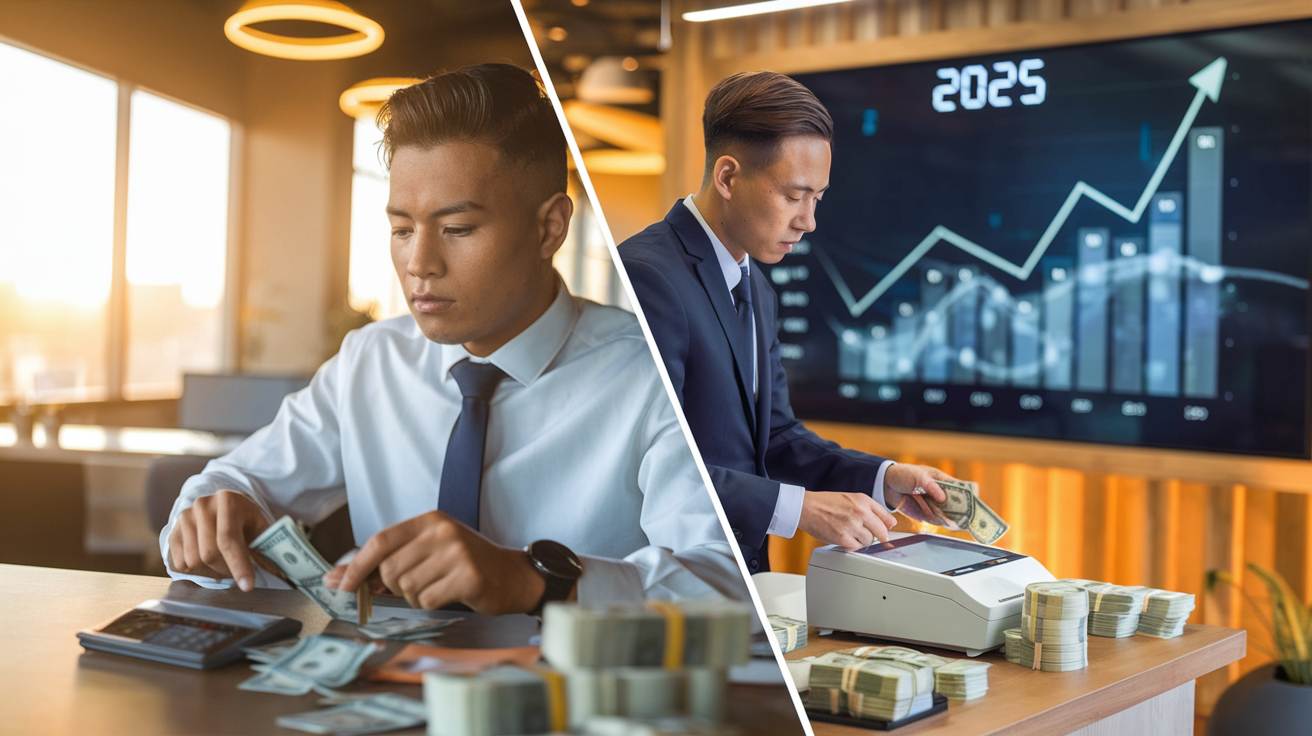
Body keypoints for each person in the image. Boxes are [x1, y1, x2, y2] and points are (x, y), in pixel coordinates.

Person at [161, 63, 744, 615]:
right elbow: (232, 483)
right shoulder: (370, 361)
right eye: (401, 229)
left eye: (457, 228)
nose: (419, 264)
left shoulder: (659, 374)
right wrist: (211, 511)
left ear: (550, 227)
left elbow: (727, 584)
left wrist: (532, 580)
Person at [619, 71, 963, 573]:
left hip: (738, 580)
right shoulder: (648, 275)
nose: (808, 221)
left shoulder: (754, 283)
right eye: (793, 195)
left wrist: (884, 477)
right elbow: (649, 462)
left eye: (816, 198)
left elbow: (776, 436)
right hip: (666, 580)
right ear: (728, 177)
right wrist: (797, 507)